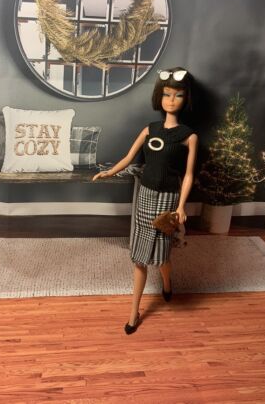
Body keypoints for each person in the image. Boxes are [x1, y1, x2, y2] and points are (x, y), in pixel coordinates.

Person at [92, 67, 198, 334]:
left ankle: (167, 283)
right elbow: (129, 157)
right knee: (139, 258)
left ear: (186, 98)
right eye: (167, 94)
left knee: (161, 256)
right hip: (145, 196)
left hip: (168, 200)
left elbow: (188, 174)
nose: (171, 100)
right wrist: (109, 172)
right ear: (159, 97)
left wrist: (181, 206)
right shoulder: (150, 130)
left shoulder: (189, 136)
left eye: (177, 95)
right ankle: (133, 313)